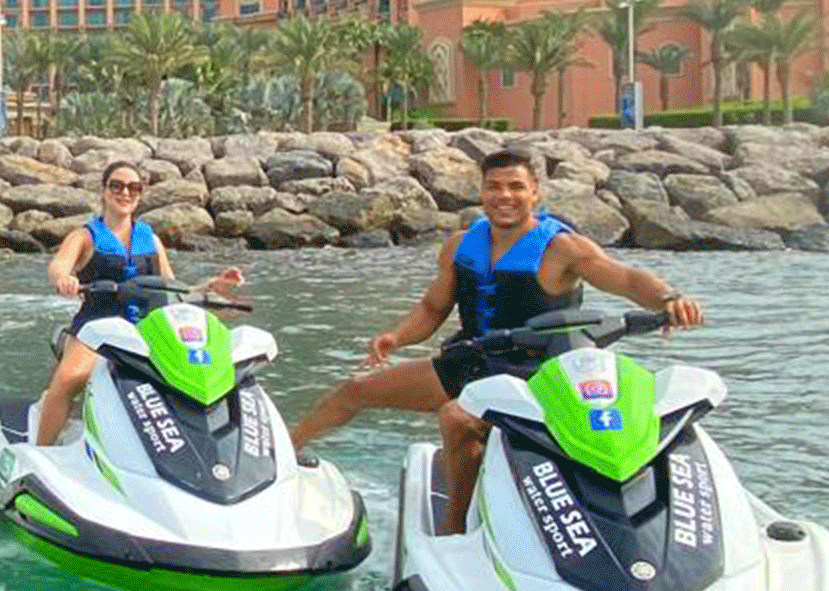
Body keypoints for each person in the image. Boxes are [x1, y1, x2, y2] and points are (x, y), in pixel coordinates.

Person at [289, 149, 705, 534]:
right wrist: (396, 336)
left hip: (541, 376)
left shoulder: (563, 249)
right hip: (474, 359)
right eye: (494, 187)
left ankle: (455, 531)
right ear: (482, 192)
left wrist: (669, 298)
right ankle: (284, 457)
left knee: (457, 418)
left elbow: (627, 278)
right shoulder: (461, 245)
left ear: (535, 194)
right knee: (356, 390)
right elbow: (434, 309)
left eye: (516, 187)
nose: (504, 196)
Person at [34, 161, 242, 446]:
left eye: (133, 188)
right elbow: (58, 266)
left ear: (140, 195)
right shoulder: (84, 236)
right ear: (104, 192)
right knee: (70, 378)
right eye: (116, 186)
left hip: (147, 330)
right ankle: (41, 450)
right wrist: (64, 279)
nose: (125, 193)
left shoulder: (150, 239)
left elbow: (174, 288)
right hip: (96, 330)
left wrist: (211, 287)